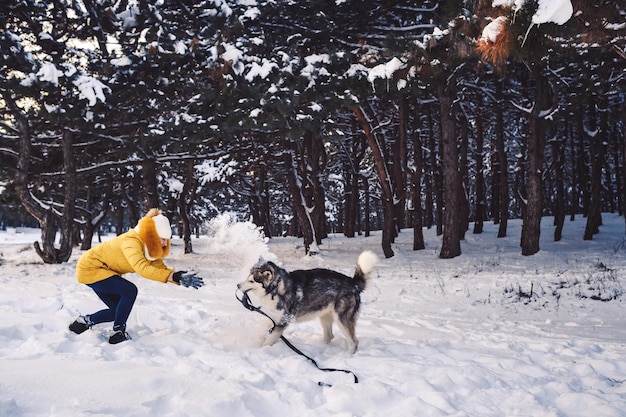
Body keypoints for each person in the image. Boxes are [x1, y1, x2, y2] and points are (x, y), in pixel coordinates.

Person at [69, 208, 204, 344]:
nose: (164, 243)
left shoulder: (148, 246)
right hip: (91, 268)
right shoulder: (131, 241)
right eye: (162, 239)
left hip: (104, 271)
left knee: (117, 311)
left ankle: (83, 321)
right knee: (130, 290)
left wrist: (178, 276)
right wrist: (172, 277)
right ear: (152, 234)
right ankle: (118, 332)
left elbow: (159, 267)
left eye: (166, 240)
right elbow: (142, 268)